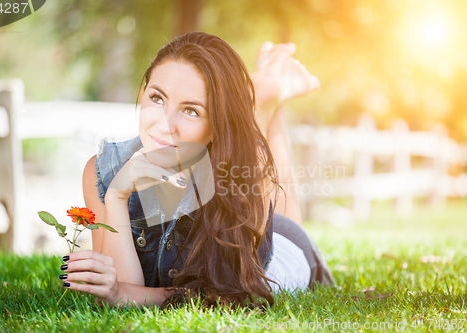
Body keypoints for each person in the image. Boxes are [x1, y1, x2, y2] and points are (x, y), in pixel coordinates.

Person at [58, 32, 334, 310]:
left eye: (191, 110)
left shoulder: (238, 170)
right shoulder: (102, 171)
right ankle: (264, 95)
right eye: (157, 98)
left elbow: (224, 293)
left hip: (272, 261)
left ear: (217, 124)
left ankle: (265, 97)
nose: (165, 125)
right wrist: (117, 196)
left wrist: (123, 293)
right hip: (255, 218)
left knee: (261, 172)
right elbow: (119, 293)